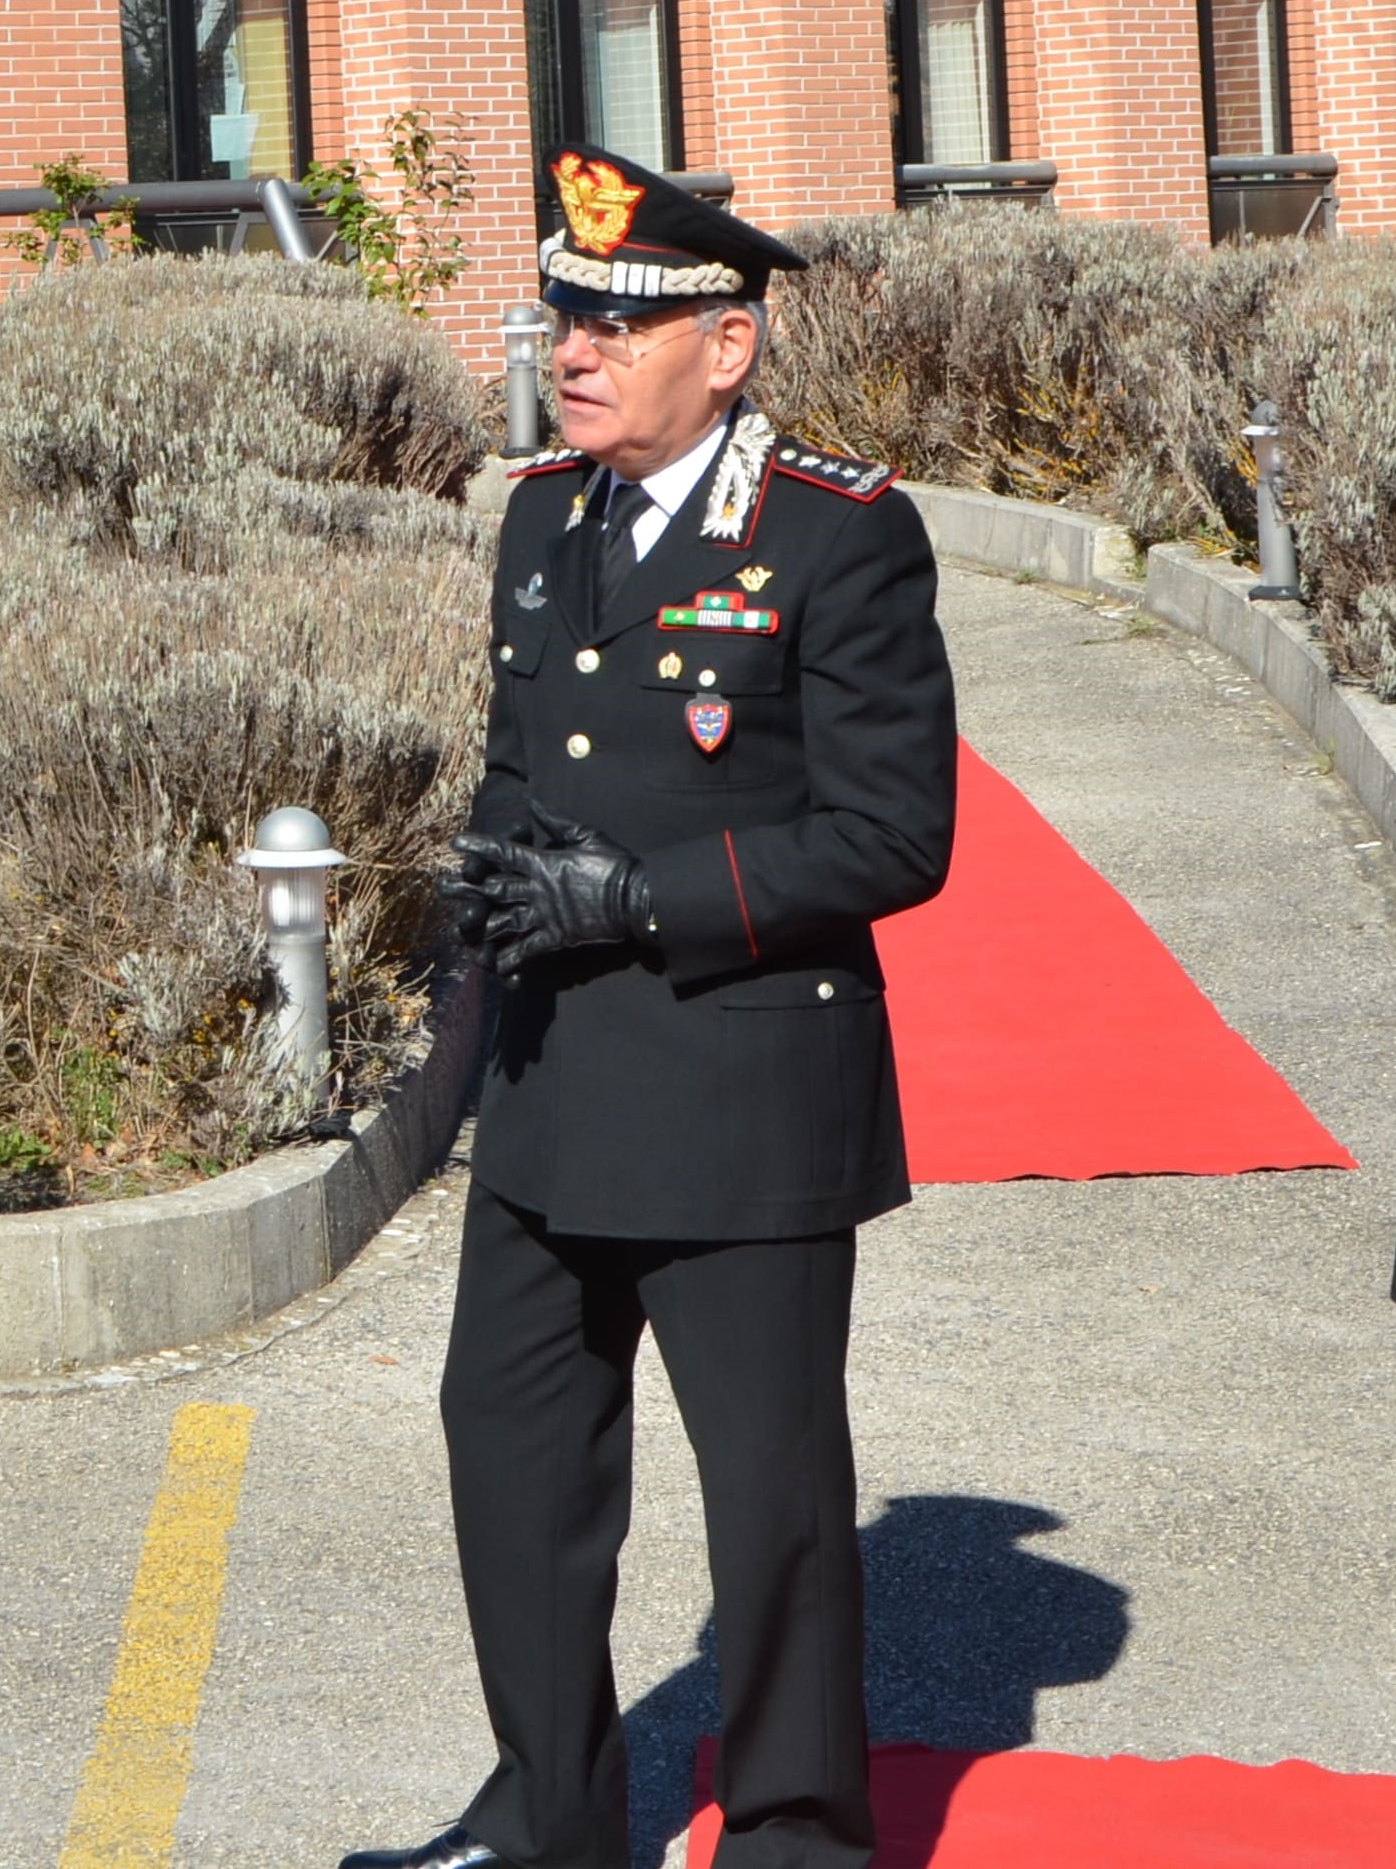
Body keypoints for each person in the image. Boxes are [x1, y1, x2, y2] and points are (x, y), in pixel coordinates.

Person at [351, 146, 954, 1869]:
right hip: (552, 1082)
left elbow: (891, 832)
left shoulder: (836, 534)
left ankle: (788, 1826)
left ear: (729, 344)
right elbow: (513, 770)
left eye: (620, 315)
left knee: (768, 1499)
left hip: (735, 1080)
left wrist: (641, 898)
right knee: (513, 1456)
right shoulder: (545, 514)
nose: (578, 344)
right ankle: (548, 1807)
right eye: (564, 311)